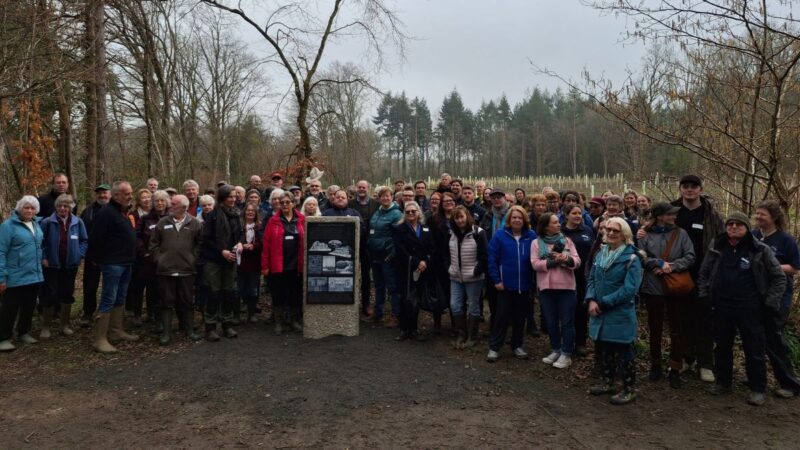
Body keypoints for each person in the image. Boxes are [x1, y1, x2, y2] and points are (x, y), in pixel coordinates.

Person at [699, 211, 786, 406]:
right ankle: (723, 382)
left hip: (750, 307)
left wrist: (771, 302)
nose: (733, 227)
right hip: (722, 305)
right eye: (730, 224)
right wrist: (704, 294)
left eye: (739, 224)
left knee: (754, 348)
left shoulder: (759, 249)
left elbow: (779, 277)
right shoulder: (717, 246)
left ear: (747, 228)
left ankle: (757, 388)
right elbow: (704, 272)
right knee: (722, 346)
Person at [670, 175, 723, 383]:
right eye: (686, 186)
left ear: (701, 189)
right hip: (677, 274)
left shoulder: (711, 215)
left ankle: (705, 364)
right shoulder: (672, 211)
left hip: (704, 275)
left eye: (694, 186)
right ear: (680, 188)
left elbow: (721, 242)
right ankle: (685, 359)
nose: (689, 190)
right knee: (681, 319)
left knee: (704, 320)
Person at [586, 217, 643, 405]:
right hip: (599, 311)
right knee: (604, 349)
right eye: (608, 229)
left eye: (615, 231)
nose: (610, 233)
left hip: (619, 313)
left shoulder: (632, 258)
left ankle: (628, 389)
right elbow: (592, 279)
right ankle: (607, 382)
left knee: (624, 352)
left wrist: (603, 303)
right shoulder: (600, 254)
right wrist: (591, 299)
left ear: (624, 234)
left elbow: (629, 290)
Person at [638, 202, 696, 388]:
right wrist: (657, 263)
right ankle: (655, 365)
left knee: (676, 330)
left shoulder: (681, 234)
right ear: (660, 216)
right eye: (670, 214)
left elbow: (690, 256)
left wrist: (671, 267)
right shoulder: (645, 235)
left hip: (675, 288)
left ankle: (675, 368)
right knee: (654, 328)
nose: (674, 217)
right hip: (652, 288)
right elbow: (640, 256)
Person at [752, 200, 800, 398]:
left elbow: (795, 268)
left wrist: (771, 266)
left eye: (762, 214)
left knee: (774, 338)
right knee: (756, 338)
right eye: (757, 213)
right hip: (756, 295)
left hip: (779, 296)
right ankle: (757, 377)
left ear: (773, 217)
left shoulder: (785, 240)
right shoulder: (753, 236)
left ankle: (789, 383)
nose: (758, 217)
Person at [87, 181, 140, 353]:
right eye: (126, 193)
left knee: (120, 297)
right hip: (112, 263)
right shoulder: (106, 213)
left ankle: (116, 331)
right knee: (108, 298)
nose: (130, 196)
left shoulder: (123, 212)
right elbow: (96, 238)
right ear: (116, 195)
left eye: (131, 193)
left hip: (126, 262)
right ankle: (100, 339)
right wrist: (96, 259)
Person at [149, 194, 203, 345]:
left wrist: (193, 258)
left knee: (187, 301)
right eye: (171, 203)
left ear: (184, 207)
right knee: (166, 301)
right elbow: (153, 244)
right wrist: (159, 259)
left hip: (187, 269)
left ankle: (190, 331)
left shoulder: (195, 223)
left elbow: (200, 243)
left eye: (174, 204)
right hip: (165, 270)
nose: (170, 206)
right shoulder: (162, 222)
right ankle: (166, 333)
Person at [486, 206, 537, 362]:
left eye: (520, 218)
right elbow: (492, 260)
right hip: (505, 285)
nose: (517, 220)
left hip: (524, 285)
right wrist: (497, 280)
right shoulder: (500, 235)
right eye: (514, 217)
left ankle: (517, 345)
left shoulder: (531, 236)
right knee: (501, 317)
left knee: (520, 318)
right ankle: (494, 348)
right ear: (509, 220)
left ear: (524, 220)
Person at [532, 212, 581, 369]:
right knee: (551, 321)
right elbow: (535, 264)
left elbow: (577, 261)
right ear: (546, 226)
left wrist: (565, 259)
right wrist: (553, 261)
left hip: (566, 288)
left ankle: (566, 353)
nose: (559, 224)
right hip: (546, 288)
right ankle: (555, 349)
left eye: (558, 222)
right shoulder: (535, 243)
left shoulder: (567, 241)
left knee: (567, 322)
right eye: (554, 223)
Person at [39, 194, 88, 339]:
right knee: (49, 294)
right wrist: (44, 257)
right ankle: (46, 327)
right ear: (56, 207)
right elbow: (40, 243)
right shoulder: (48, 222)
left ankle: (64, 325)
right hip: (51, 264)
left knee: (67, 294)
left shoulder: (78, 222)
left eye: (66, 206)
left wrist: (79, 254)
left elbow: (84, 241)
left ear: (70, 208)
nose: (62, 208)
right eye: (60, 206)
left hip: (70, 265)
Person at [0, 196, 45, 351]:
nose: (29, 210)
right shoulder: (8, 226)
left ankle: (23, 332)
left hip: (34, 274)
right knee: (10, 307)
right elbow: (1, 251)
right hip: (15, 275)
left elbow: (38, 247)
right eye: (26, 207)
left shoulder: (36, 224)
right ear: (19, 208)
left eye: (32, 208)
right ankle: (3, 337)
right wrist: (1, 276)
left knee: (29, 305)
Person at [200, 185, 243, 341]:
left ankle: (227, 324)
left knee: (229, 292)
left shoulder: (236, 214)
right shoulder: (212, 216)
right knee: (213, 293)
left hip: (230, 260)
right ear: (222, 198)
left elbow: (240, 234)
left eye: (234, 196)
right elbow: (206, 239)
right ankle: (210, 327)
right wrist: (221, 251)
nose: (233, 199)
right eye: (229, 196)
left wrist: (239, 244)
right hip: (214, 260)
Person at [261, 191, 305, 335]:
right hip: (277, 265)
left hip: (296, 265)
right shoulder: (272, 221)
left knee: (295, 294)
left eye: (288, 202)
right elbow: (266, 245)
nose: (285, 205)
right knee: (278, 294)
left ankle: (294, 321)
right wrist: (265, 266)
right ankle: (278, 322)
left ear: (293, 203)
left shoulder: (302, 220)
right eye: (282, 202)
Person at [393, 200, 435, 341]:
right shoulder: (399, 229)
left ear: (419, 213)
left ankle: (414, 329)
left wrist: (425, 262)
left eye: (413, 211)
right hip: (406, 268)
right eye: (408, 212)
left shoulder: (425, 228)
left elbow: (431, 248)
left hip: (422, 269)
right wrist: (417, 262)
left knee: (416, 300)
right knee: (405, 299)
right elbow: (401, 250)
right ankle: (404, 329)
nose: (410, 213)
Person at [447, 206, 488, 349]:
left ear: (467, 216)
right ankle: (461, 334)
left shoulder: (478, 232)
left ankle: (472, 336)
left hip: (473, 277)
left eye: (461, 217)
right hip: (456, 276)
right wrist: (450, 268)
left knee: (474, 306)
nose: (459, 220)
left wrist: (476, 271)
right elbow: (448, 254)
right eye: (456, 218)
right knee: (455, 305)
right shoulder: (452, 233)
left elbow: (484, 256)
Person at [128, 190, 169, 329]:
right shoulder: (145, 218)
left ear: (167, 202)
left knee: (155, 289)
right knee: (139, 288)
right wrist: (143, 252)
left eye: (162, 200)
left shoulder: (171, 217)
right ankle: (137, 314)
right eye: (157, 201)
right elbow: (136, 236)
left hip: (163, 260)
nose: (159, 203)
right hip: (145, 261)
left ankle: (152, 314)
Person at [561, 204, 595, 356]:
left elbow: (594, 250)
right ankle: (566, 340)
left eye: (579, 213)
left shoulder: (587, 230)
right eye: (574, 213)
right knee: (566, 309)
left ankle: (581, 342)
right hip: (565, 276)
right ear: (566, 215)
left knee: (582, 309)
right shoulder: (559, 232)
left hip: (584, 277)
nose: (577, 216)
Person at [368, 186, 403, 326]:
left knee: (392, 286)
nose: (385, 198)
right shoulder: (377, 213)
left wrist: (392, 253)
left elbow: (400, 237)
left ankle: (396, 315)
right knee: (378, 285)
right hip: (375, 255)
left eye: (388, 196)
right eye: (382, 196)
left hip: (388, 256)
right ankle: (378, 313)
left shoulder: (397, 214)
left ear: (392, 197)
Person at [77, 184, 111, 326]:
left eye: (105, 193)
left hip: (111, 255)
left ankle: (107, 314)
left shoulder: (116, 210)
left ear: (110, 194)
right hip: (92, 255)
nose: (102, 195)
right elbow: (81, 234)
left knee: (110, 285)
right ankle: (88, 313)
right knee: (90, 285)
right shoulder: (88, 212)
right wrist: (85, 253)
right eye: (100, 193)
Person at [479, 189, 511, 330]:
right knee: (492, 295)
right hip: (491, 261)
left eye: (499, 197)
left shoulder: (512, 214)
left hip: (509, 261)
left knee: (508, 294)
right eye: (494, 198)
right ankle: (494, 324)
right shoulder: (487, 215)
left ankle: (507, 324)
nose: (496, 200)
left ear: (505, 198)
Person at [350, 180, 380, 316]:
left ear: (368, 188)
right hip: (352, 244)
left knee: (367, 276)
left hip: (369, 245)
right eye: (359, 187)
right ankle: (349, 303)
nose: (361, 189)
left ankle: (366, 304)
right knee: (348, 273)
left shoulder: (376, 204)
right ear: (356, 188)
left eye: (364, 187)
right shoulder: (350, 204)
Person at [237, 203, 263, 324]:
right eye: (248, 210)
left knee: (252, 290)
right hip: (240, 262)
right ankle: (236, 315)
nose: (250, 212)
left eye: (253, 210)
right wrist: (241, 244)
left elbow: (262, 242)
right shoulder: (238, 225)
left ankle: (251, 314)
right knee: (238, 289)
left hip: (254, 262)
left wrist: (253, 246)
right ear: (244, 212)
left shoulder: (259, 226)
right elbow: (234, 239)